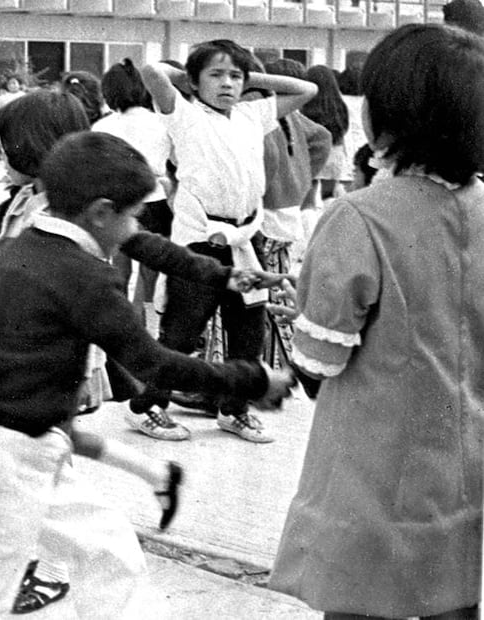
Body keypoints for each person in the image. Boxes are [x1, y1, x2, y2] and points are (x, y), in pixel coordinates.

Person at [0, 131, 295, 619]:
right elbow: (154, 364)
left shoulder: (10, 252)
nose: (136, 225)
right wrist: (252, 379)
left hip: (14, 444)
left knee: (111, 554)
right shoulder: (87, 277)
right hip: (5, 454)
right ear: (100, 212)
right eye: (134, 213)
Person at [269, 23, 484, 620]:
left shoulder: (357, 218)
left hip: (371, 471)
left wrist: (306, 315)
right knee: (452, 605)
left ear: (386, 116)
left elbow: (320, 361)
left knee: (358, 605)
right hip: (463, 469)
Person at [131, 39, 317, 443]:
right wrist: (191, 77)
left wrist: (249, 75)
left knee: (248, 331)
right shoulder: (184, 114)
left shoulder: (252, 114)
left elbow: (307, 90)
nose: (227, 84)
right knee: (181, 332)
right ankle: (149, 407)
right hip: (198, 242)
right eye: (216, 75)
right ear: (195, 82)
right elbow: (150, 72)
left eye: (235, 77)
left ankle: (234, 410)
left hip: (244, 242)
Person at [93, 58, 173, 314]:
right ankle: (147, 324)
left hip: (116, 203)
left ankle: (118, 324)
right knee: (150, 273)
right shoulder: (162, 123)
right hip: (155, 201)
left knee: (120, 268)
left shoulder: (102, 126)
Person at [260, 58, 332, 266]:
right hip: (290, 205)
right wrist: (303, 175)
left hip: (268, 205)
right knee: (279, 266)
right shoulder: (296, 117)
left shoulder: (265, 116)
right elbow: (322, 138)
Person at [300, 65, 350, 203]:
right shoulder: (340, 106)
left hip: (313, 156)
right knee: (329, 199)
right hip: (335, 154)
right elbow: (344, 130)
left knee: (308, 202)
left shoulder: (305, 105)